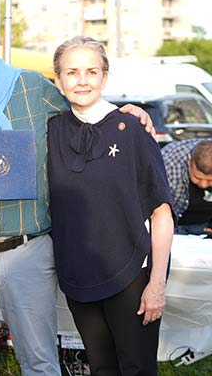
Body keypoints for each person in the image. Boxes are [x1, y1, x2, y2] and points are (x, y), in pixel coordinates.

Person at [0, 4, 154, 376]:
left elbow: (83, 116)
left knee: (41, 363)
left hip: (30, 252)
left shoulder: (31, 88)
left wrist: (123, 114)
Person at [47, 36, 175, 376]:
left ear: (105, 76)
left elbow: (161, 211)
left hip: (131, 272)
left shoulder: (132, 128)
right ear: (58, 79)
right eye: (71, 72)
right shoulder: (51, 131)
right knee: (101, 368)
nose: (82, 80)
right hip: (78, 274)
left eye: (92, 71)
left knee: (136, 368)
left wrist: (157, 283)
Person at [161, 139, 212, 235]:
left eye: (210, 180)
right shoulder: (168, 166)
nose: (203, 185)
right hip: (172, 226)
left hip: (205, 223)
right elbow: (157, 211)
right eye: (198, 177)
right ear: (189, 160)